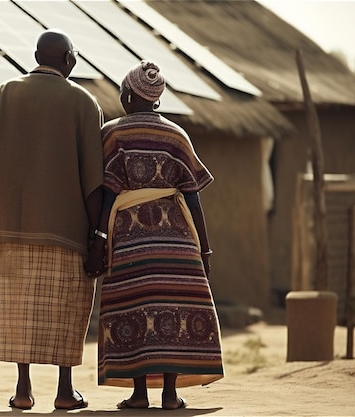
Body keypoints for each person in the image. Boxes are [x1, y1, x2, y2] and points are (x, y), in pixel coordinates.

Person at [0, 29, 104, 411]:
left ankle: (23, 391)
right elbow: (93, 181)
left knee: (19, 311)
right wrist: (98, 235)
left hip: (14, 228)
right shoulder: (84, 103)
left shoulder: (5, 94)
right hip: (67, 232)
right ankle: (64, 391)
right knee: (67, 309)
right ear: (69, 60)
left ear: (37, 55)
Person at [85, 60, 224, 410]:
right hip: (176, 241)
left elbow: (107, 192)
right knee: (171, 311)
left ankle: (139, 394)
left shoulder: (113, 134)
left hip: (130, 238)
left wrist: (99, 237)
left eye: (122, 92)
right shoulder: (177, 135)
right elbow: (192, 197)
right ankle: (171, 394)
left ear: (130, 97)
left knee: (134, 309)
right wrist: (204, 249)